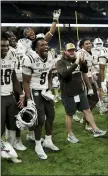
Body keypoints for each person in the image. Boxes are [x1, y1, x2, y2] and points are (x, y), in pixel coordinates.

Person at [56, 43, 107, 143]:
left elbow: (85, 70)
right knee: (69, 114)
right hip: (68, 94)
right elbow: (65, 74)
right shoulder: (60, 62)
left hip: (80, 91)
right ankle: (70, 135)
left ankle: (95, 129)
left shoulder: (77, 60)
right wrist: (76, 63)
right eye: (69, 50)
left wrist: (82, 62)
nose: (72, 52)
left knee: (87, 110)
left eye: (73, 50)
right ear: (65, 52)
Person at [22, 37, 59, 160]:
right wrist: (29, 99)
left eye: (46, 44)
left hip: (45, 90)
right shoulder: (29, 58)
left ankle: (48, 140)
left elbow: (48, 74)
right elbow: (26, 82)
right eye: (42, 45)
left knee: (51, 115)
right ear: (36, 48)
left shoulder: (49, 56)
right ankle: (38, 144)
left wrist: (49, 87)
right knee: (40, 118)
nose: (46, 46)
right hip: (34, 90)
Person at [1, 32, 25, 163]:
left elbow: (14, 77)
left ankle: (9, 153)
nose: (5, 48)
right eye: (2, 46)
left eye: (6, 45)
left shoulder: (11, 55)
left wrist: (21, 94)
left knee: (12, 126)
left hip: (10, 96)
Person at [5, 30, 27, 151]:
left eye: (13, 36)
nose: (12, 38)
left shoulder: (22, 46)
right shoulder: (4, 50)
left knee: (20, 112)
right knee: (12, 113)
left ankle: (18, 139)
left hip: (21, 82)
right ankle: (12, 140)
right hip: (9, 84)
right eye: (9, 37)